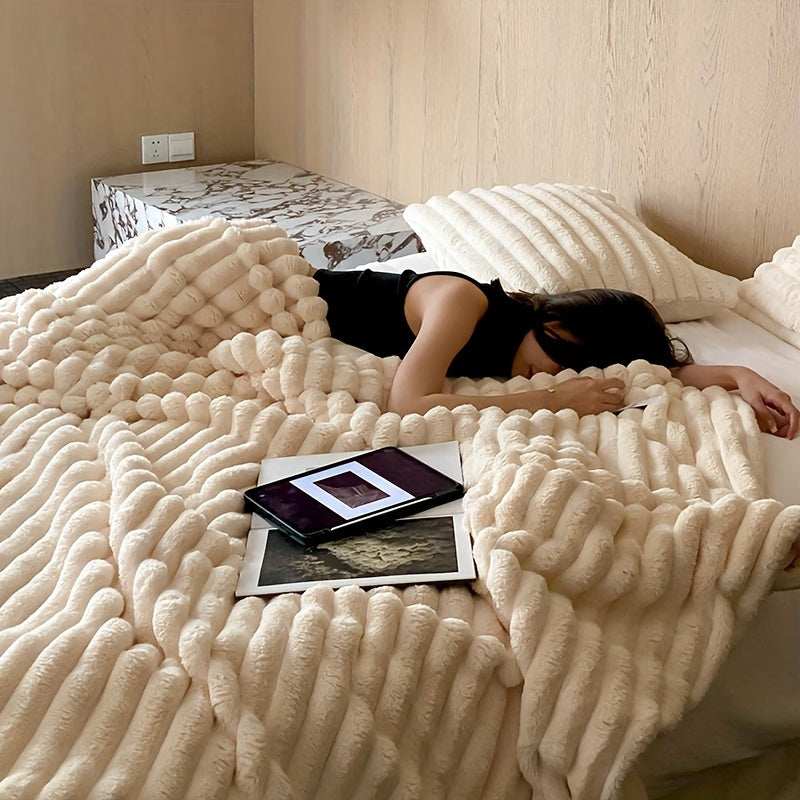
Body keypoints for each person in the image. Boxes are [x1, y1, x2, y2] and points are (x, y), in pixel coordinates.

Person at [311, 267, 800, 439]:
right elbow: (407, 405)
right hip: (297, 299)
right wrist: (552, 400)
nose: (550, 373)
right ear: (554, 320)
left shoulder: (530, 343)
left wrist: (740, 375)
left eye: (571, 370)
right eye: (560, 356)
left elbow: (650, 370)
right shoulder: (461, 302)